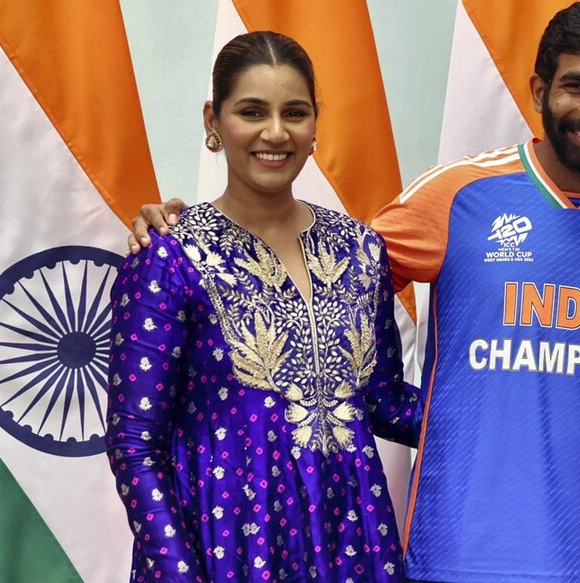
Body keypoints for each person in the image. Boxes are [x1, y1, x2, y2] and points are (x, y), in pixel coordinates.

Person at [127, 5, 580, 581]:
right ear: (537, 90)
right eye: (575, 86)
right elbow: (299, 272)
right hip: (452, 554)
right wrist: (187, 230)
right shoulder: (455, 197)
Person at [106, 31, 421, 582]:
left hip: (351, 543)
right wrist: (179, 572)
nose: (275, 133)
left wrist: (519, 410)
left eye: (294, 113)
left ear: (315, 124)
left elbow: (385, 401)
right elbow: (134, 444)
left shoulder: (361, 251)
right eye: (252, 111)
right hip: (222, 545)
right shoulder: (169, 255)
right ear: (214, 120)